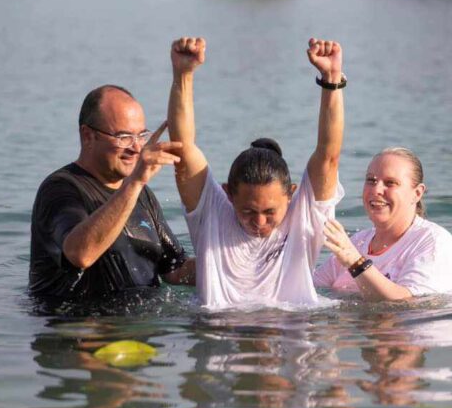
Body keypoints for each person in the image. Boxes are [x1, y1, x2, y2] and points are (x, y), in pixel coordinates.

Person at [167, 37, 345, 308]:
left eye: (270, 212)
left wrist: (331, 78)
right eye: (248, 211)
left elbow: (328, 156)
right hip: (220, 336)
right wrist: (183, 74)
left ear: (291, 195)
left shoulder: (304, 217)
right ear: (228, 194)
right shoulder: (211, 215)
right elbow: (182, 149)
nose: (259, 222)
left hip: (290, 337)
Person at [29, 84, 194, 301]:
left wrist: (240, 258)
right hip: (80, 326)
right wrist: (134, 183)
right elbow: (80, 254)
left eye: (141, 135)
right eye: (124, 137)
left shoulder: (142, 194)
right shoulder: (60, 189)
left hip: (140, 325)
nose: (136, 148)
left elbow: (176, 270)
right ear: (87, 135)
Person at [314, 147, 452, 301]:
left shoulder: (433, 242)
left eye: (390, 183)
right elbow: (311, 286)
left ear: (417, 193)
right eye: (371, 181)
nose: (377, 190)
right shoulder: (357, 242)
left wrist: (355, 262)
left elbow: (410, 304)